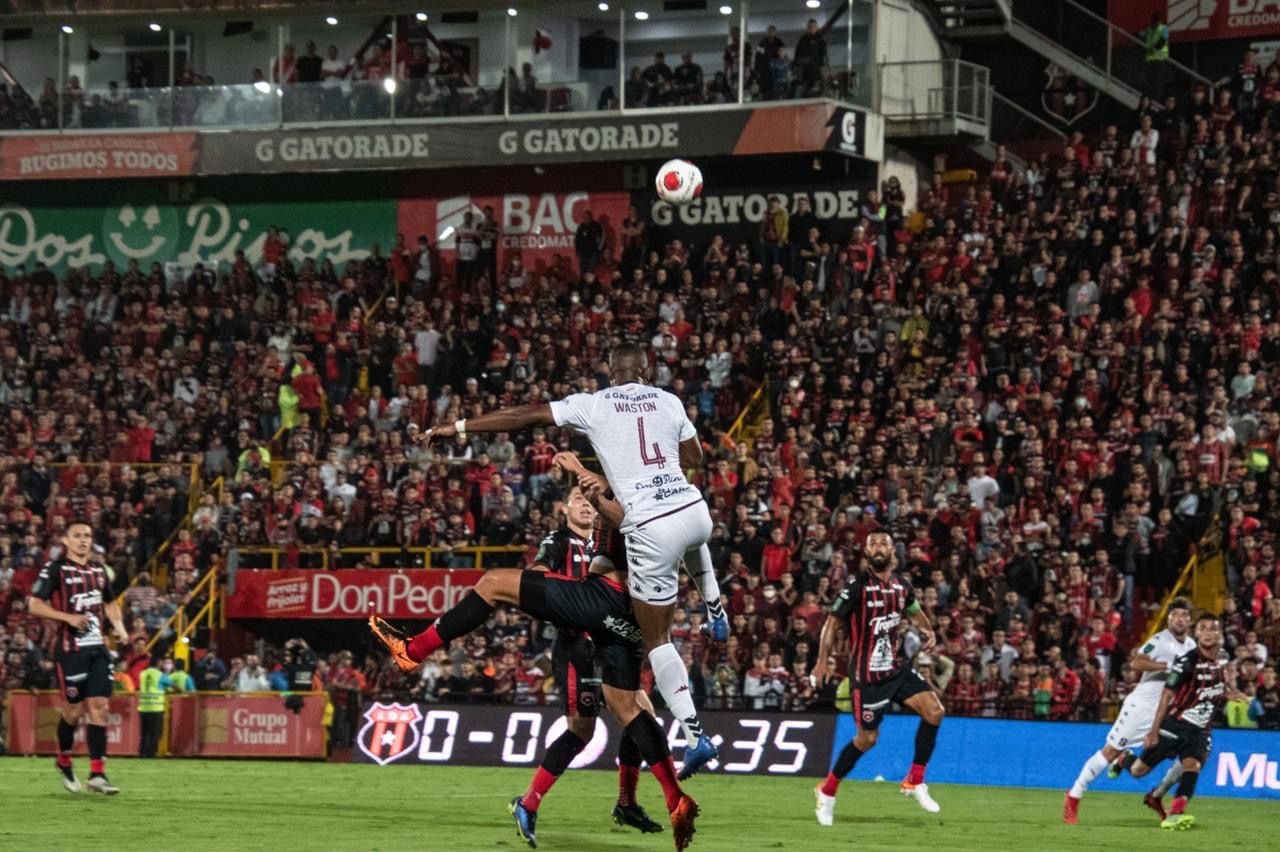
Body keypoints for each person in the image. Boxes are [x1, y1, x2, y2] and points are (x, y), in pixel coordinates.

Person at [416, 343, 724, 778]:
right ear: (648, 370)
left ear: (610, 372)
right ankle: (715, 610)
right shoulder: (670, 401)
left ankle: (695, 741)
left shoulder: (594, 406)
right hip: (690, 512)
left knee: (654, 647)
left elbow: (526, 414)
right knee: (631, 697)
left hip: (626, 568)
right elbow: (694, 460)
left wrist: (459, 427)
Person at [370, 465, 699, 850]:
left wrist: (581, 473)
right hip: (628, 620)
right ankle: (673, 798)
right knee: (630, 708)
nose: (586, 502)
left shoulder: (625, 503)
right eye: (577, 498)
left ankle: (412, 651)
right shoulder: (671, 519)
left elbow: (617, 505)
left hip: (595, 605)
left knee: (493, 583)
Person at [812, 531, 944, 823]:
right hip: (867, 676)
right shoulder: (856, 587)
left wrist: (929, 629)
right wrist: (822, 662)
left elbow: (914, 610)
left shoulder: (901, 586)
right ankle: (828, 790)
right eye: (872, 544)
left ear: (893, 552)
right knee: (868, 738)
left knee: (934, 712)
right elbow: (832, 624)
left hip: (896, 668)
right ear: (866, 553)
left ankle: (915, 780)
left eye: (883, 543)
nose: (879, 547)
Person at [1063, 598, 1194, 823]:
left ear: (1190, 620)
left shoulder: (1191, 646)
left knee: (1187, 752)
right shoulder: (1160, 640)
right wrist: (1167, 666)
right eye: (1176, 615)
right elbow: (1137, 663)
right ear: (1169, 618)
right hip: (1142, 708)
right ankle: (1074, 795)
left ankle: (1159, 797)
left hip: (1167, 711)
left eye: (1184, 615)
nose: (1180, 619)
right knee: (1110, 751)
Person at [26, 520, 129, 794]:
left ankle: (97, 774)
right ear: (67, 541)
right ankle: (63, 760)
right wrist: (67, 617)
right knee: (74, 710)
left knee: (100, 706)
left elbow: (109, 602)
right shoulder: (56, 569)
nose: (83, 540)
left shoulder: (98, 569)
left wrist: (119, 628)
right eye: (77, 536)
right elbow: (34, 604)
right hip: (71, 650)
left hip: (98, 649)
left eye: (87, 535)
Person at [1109, 613, 1235, 831]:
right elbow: (1167, 695)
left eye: (1212, 628)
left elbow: (1219, 681)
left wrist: (1231, 691)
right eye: (1202, 628)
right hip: (1174, 724)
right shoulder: (1186, 662)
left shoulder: (1223, 658)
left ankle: (1175, 812)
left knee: (1192, 765)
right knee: (1139, 770)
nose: (1207, 633)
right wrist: (1154, 731)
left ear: (1220, 634)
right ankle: (1124, 758)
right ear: (1196, 634)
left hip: (1200, 729)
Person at [136, 652, 167, 758]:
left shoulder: (142, 673)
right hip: (156, 707)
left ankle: (142, 753)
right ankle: (151, 754)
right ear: (158, 662)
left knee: (144, 732)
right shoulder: (160, 675)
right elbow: (171, 683)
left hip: (143, 707)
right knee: (154, 733)